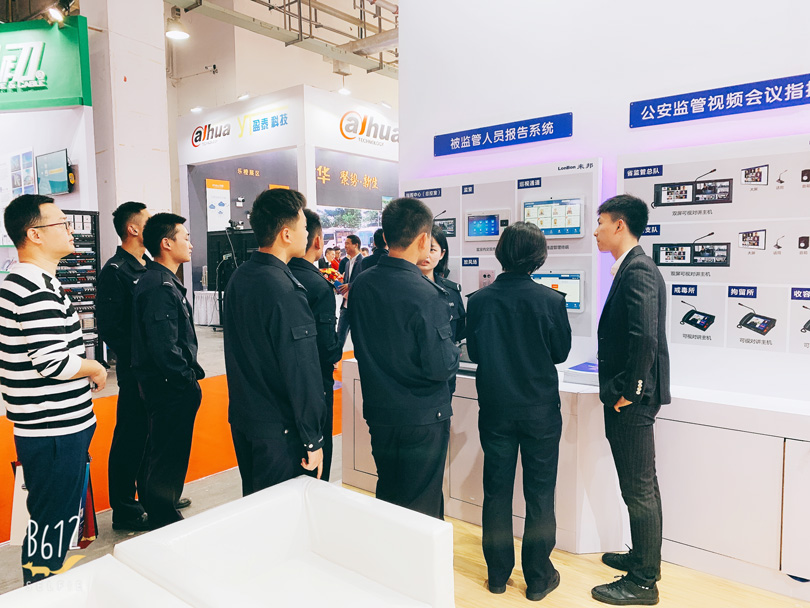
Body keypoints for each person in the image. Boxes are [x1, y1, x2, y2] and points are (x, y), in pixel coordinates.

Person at [0, 195, 106, 584]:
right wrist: (95, 367)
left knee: (51, 520)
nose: (70, 229)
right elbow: (53, 362)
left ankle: (44, 584)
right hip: (54, 429)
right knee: (52, 524)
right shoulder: (33, 288)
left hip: (51, 426)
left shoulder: (31, 282)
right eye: (61, 223)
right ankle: (42, 590)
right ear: (35, 234)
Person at [466, 222, 571, 601]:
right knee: (540, 493)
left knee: (496, 491)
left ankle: (497, 575)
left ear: (501, 253)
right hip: (540, 410)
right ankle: (538, 578)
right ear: (538, 257)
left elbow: (474, 353)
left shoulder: (479, 301)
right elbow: (560, 353)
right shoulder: (551, 301)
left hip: (496, 409)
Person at [350, 197, 460, 519]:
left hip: (380, 411)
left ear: (386, 236)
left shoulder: (362, 283)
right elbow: (440, 365)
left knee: (389, 494)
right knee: (422, 505)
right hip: (422, 416)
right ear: (424, 239)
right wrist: (455, 352)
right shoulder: (427, 294)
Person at [591, 194, 670, 606]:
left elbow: (645, 338)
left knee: (639, 489)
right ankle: (641, 557)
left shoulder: (638, 269)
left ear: (619, 225)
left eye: (601, 222)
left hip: (632, 400)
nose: (596, 231)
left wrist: (629, 393)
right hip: (630, 396)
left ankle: (642, 581)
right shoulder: (631, 267)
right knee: (639, 485)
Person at [224, 189, 326, 495]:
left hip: (245, 420)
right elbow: (301, 370)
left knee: (255, 503)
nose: (307, 233)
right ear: (285, 234)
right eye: (303, 227)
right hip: (279, 430)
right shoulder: (285, 290)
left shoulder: (240, 277)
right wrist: (313, 438)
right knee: (283, 511)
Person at [131, 213, 204, 530]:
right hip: (169, 386)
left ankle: (160, 503)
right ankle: (163, 517)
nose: (190, 243)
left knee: (160, 448)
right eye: (185, 237)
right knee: (168, 454)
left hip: (163, 383)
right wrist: (185, 379)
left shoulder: (160, 281)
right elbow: (165, 347)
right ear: (166, 243)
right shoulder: (159, 286)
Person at [288, 209, 342, 481]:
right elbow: (326, 346)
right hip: (315, 385)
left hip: (278, 389)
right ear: (317, 240)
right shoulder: (318, 286)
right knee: (317, 467)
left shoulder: (278, 276)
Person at [420, 224, 465, 343]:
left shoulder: (451, 291)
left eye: (432, 250)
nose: (426, 255)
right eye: (421, 248)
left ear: (442, 254)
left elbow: (459, 331)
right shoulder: (403, 289)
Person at [336, 234, 364, 350]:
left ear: (355, 245)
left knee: (359, 339)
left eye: (347, 243)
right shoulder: (347, 263)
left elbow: (364, 283)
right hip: (345, 305)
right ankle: (335, 358)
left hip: (357, 306)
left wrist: (350, 285)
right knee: (339, 336)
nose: (345, 246)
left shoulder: (363, 262)